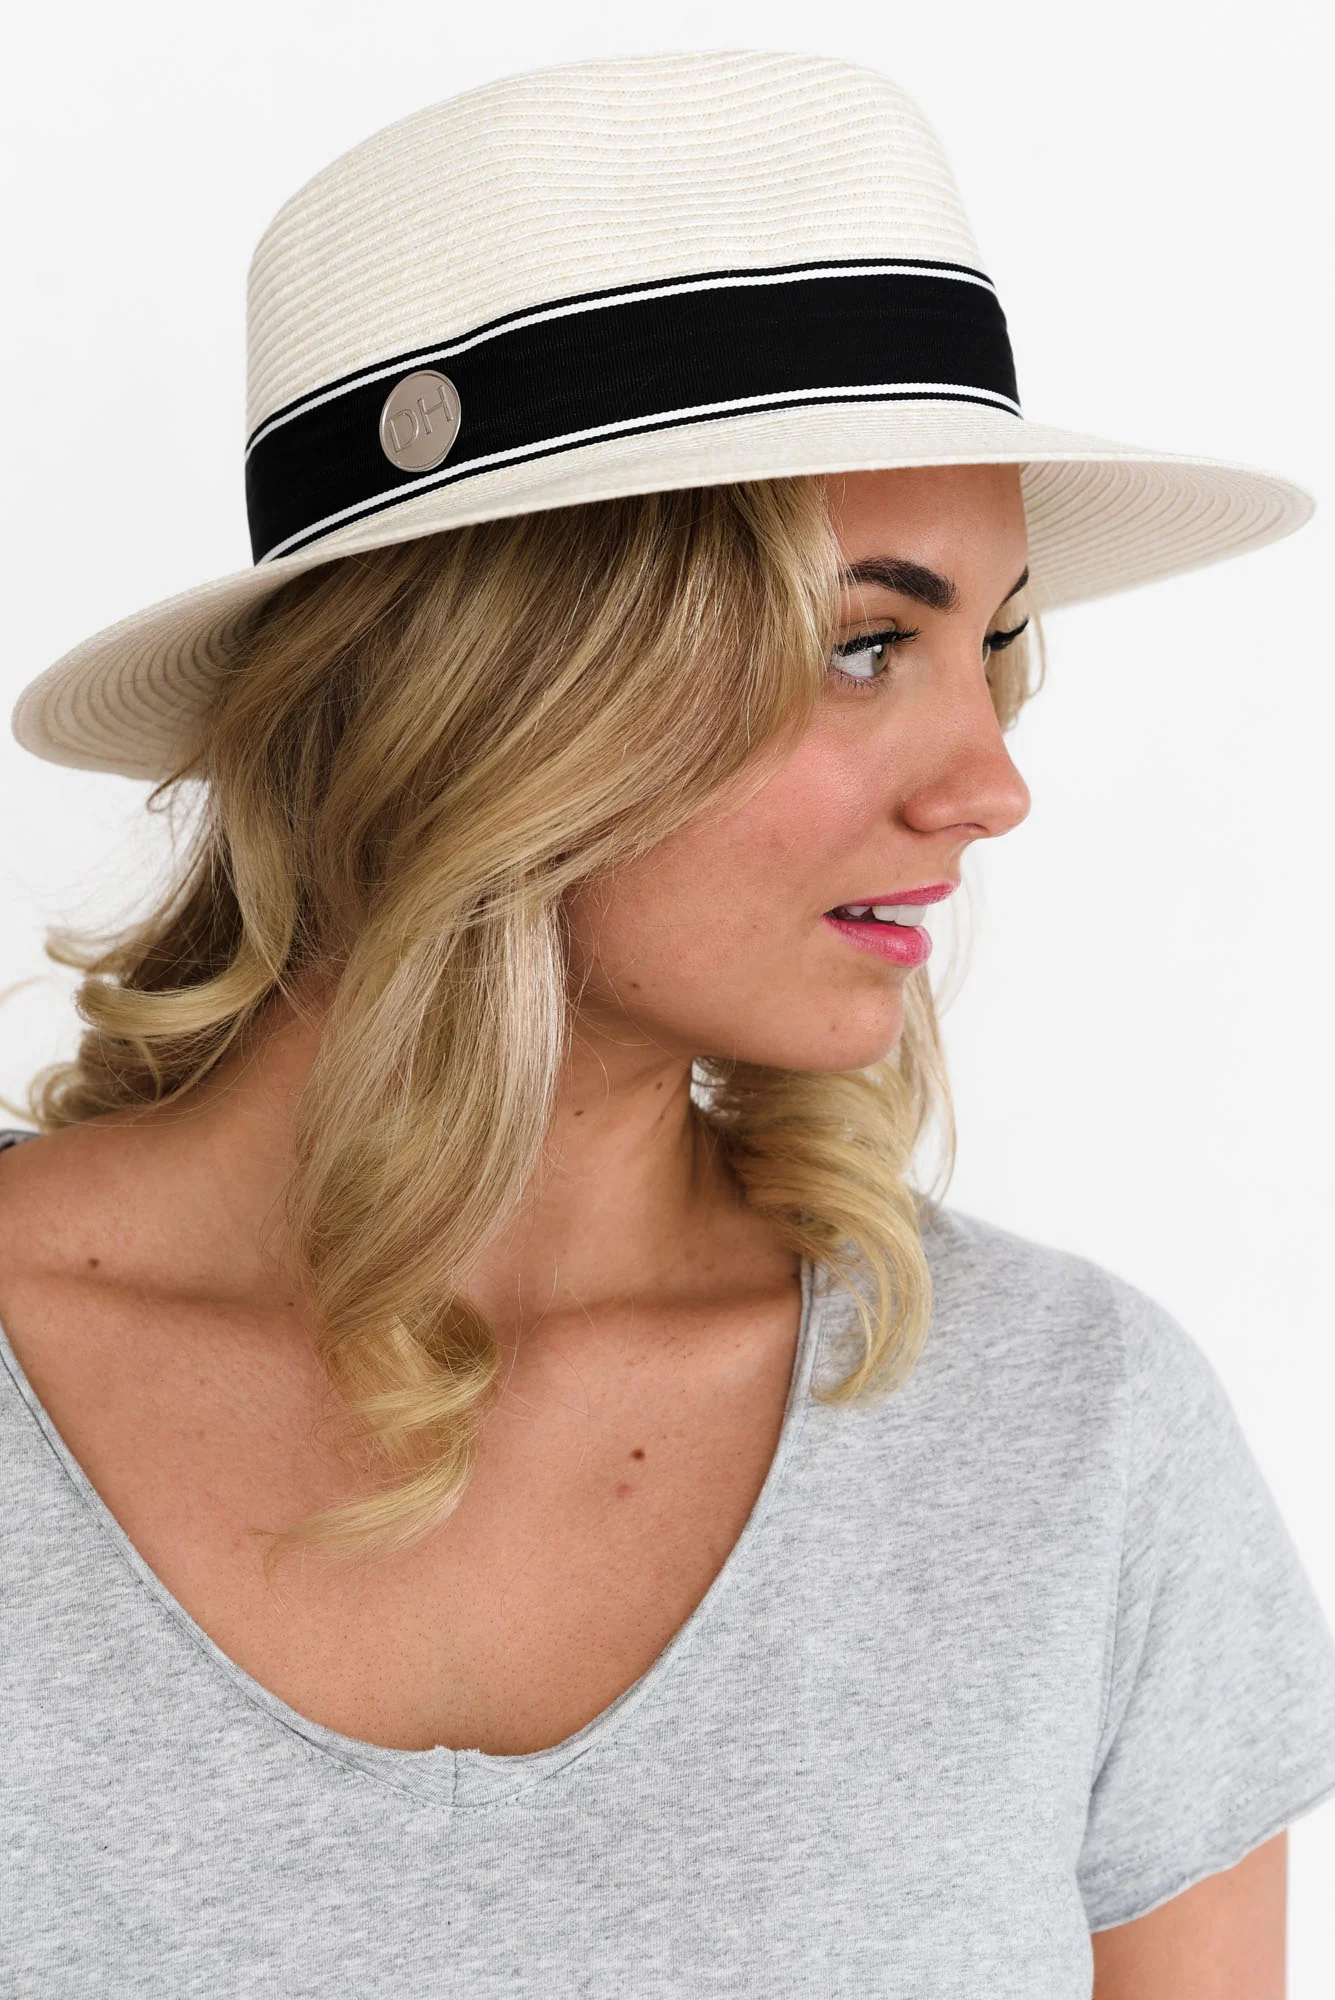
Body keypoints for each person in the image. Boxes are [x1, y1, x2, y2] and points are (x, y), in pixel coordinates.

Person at [2, 49, 1332, 2000]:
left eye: (991, 646)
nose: (989, 783)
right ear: (499, 689)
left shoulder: (1064, 1436)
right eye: (864, 644)